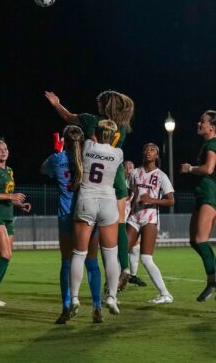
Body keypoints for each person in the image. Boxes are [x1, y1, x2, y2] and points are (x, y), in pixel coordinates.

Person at [45, 90, 135, 290]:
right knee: (118, 225)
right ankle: (125, 268)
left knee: (83, 245)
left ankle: (74, 294)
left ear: (103, 104)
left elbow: (68, 117)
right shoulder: (123, 125)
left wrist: (57, 104)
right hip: (115, 175)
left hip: (91, 179)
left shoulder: (90, 119)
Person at [40, 126, 103, 324]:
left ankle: (66, 307)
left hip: (67, 215)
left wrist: (57, 151)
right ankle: (97, 307)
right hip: (88, 213)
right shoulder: (89, 158)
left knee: (67, 263)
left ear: (64, 141)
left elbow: (43, 170)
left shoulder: (57, 159)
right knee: (92, 263)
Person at [181, 110, 216, 302]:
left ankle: (214, 280)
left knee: (201, 240)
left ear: (211, 127)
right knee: (195, 241)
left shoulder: (213, 144)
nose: (199, 123)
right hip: (205, 195)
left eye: (202, 121)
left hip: (210, 196)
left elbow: (209, 169)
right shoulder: (211, 144)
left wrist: (190, 169)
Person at [68, 119, 123, 317]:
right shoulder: (118, 153)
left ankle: (74, 297)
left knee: (79, 253)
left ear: (96, 133)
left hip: (86, 200)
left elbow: (87, 133)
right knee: (110, 255)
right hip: (108, 202)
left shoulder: (87, 146)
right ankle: (112, 297)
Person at [0, 136, 31, 307]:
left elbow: (7, 196)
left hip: (8, 217)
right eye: (0, 149)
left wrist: (19, 204)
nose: (4, 151)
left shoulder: (9, 171)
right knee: (5, 254)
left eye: (6, 149)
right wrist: (11, 196)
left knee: (7, 257)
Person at [127, 143, 175, 304]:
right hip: (133, 217)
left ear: (157, 155)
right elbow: (128, 193)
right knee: (119, 253)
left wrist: (152, 200)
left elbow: (171, 200)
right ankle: (112, 293)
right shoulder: (134, 173)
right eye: (146, 149)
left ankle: (165, 294)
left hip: (150, 219)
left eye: (152, 150)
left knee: (146, 259)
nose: (148, 151)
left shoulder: (161, 176)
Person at [124, 160, 146, 287]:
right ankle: (117, 277)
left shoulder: (135, 182)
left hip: (130, 218)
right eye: (126, 168)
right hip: (119, 219)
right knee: (122, 248)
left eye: (131, 168)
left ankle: (132, 275)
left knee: (135, 248)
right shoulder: (121, 182)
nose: (128, 170)